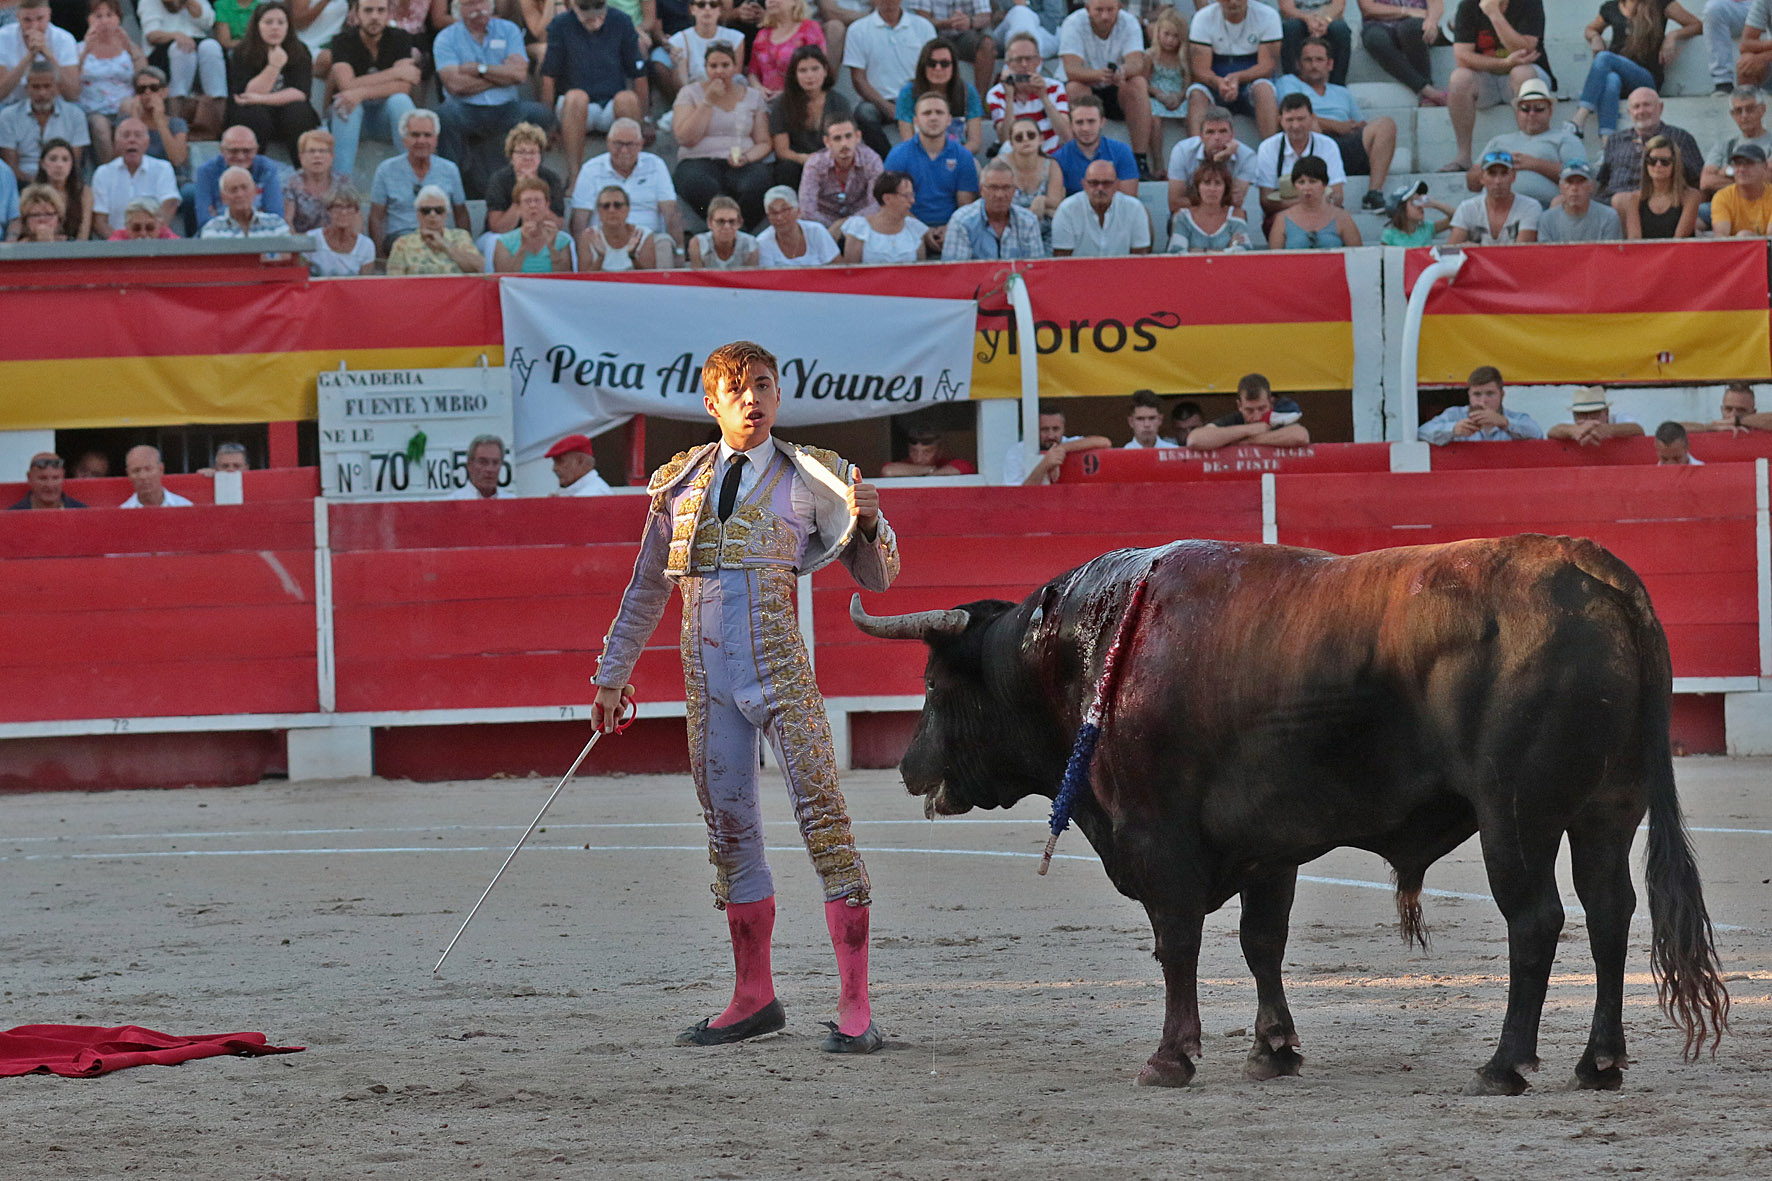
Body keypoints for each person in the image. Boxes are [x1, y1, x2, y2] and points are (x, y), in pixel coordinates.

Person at [590, 340, 896, 1055]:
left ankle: (856, 1004)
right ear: (712, 402)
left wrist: (874, 521)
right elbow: (646, 587)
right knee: (729, 834)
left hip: (781, 673)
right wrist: (611, 676)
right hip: (709, 684)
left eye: (764, 384)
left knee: (825, 820)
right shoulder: (678, 483)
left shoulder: (817, 477)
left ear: (779, 394)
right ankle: (754, 995)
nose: (753, 398)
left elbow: (878, 577)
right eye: (737, 388)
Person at [436, 0, 554, 199]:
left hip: (506, 107)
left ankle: (530, 183)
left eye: (483, 2)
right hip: (465, 108)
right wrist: (501, 76)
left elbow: (519, 74)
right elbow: (454, 85)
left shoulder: (509, 30)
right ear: (458, 10)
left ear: (491, 5)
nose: (478, 9)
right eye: (470, 4)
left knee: (541, 114)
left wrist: (479, 70)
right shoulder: (446, 38)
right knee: (442, 117)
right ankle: (453, 189)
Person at [1277, 36, 1395, 209]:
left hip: (1344, 143)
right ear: (1298, 64)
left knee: (1386, 124)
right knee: (1309, 123)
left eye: (1319, 59)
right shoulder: (1288, 83)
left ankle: (1374, 193)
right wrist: (1338, 126)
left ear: (1330, 64)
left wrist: (1351, 128)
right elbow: (1296, 116)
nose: (1313, 64)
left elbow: (1360, 123)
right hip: (1314, 144)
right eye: (1308, 60)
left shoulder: (1342, 92)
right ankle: (1321, 188)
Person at [542, 0, 645, 188]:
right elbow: (549, 75)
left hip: (611, 105)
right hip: (575, 109)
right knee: (576, 97)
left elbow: (638, 72)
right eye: (585, 7)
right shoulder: (560, 25)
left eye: (598, 5)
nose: (593, 11)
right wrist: (549, 122)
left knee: (628, 99)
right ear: (573, 5)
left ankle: (634, 177)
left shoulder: (621, 21)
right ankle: (575, 177)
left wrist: (646, 119)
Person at [1445, 0, 1554, 174]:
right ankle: (1463, 156)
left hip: (1528, 73)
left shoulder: (1530, 3)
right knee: (1459, 78)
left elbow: (1525, 49)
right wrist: (1503, 64)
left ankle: (1528, 152)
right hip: (1487, 79)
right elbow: (1462, 56)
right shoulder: (1468, 5)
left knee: (1522, 73)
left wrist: (1493, 13)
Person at [1568, 0, 1701, 140]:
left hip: (1646, 80)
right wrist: (1595, 37)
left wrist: (1672, 36)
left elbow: (1697, 25)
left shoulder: (1661, 3)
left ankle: (1579, 118)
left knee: (1604, 58)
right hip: (1621, 80)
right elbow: (1591, 28)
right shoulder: (1612, 7)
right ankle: (1607, 144)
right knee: (1611, 80)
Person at [673, 41, 772, 227]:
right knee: (701, 186)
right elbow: (685, 138)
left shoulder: (753, 96)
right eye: (713, 66)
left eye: (725, 65)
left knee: (758, 184)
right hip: (698, 160)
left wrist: (746, 157)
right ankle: (717, 231)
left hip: (740, 160)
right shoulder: (689, 93)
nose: (719, 71)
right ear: (705, 68)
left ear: (735, 67)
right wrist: (708, 101)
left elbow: (764, 142)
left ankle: (739, 231)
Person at [1057, 0, 1151, 176]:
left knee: (1138, 83)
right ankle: (1080, 157)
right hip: (1086, 85)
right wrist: (1099, 75)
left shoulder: (1129, 22)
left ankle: (1140, 159)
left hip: (1116, 88)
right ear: (1087, 9)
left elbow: (1136, 63)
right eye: (1099, 10)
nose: (1105, 16)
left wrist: (1122, 71)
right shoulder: (1072, 23)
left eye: (1110, 10)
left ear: (1119, 8)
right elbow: (1071, 69)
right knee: (1075, 88)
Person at [326, 0, 421, 174]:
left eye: (380, 10)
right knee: (347, 104)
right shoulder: (342, 40)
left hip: (385, 117)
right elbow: (346, 85)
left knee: (400, 101)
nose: (375, 16)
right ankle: (342, 186)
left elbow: (403, 87)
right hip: (350, 121)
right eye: (368, 10)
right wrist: (394, 72)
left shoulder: (401, 38)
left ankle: (412, 177)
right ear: (356, 13)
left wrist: (361, 92)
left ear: (389, 13)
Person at [225, 3, 321, 163]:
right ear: (257, 25)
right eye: (268, 22)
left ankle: (303, 172)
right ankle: (253, 171)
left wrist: (260, 99)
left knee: (298, 112)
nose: (275, 28)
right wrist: (274, 66)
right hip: (253, 115)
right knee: (255, 114)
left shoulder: (300, 50)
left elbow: (299, 93)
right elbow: (247, 94)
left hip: (287, 115)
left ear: (288, 26)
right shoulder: (242, 51)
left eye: (280, 23)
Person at [570, 116, 682, 252]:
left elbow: (671, 213)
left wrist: (680, 252)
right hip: (604, 241)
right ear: (608, 143)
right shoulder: (591, 169)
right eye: (618, 144)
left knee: (663, 245)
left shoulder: (656, 165)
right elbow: (579, 220)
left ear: (641, 144)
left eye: (630, 144)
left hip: (648, 241)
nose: (624, 150)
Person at [1465, 78, 1581, 208]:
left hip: (1546, 207)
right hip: (1498, 207)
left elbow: (1581, 177)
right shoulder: (1498, 141)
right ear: (1517, 113)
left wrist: (1534, 164)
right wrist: (1496, 167)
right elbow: (1472, 184)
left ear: (1550, 112)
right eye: (1525, 109)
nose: (1531, 114)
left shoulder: (1565, 139)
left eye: (1539, 109)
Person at [883, 90, 977, 251]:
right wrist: (921, 231)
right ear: (916, 121)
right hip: (906, 226)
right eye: (927, 113)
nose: (933, 117)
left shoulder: (963, 156)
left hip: (954, 229)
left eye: (939, 113)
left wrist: (950, 229)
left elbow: (966, 206)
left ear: (948, 120)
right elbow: (892, 204)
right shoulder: (898, 155)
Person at [841, 0, 935, 157]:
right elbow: (858, 79)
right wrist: (886, 106)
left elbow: (932, 69)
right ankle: (889, 162)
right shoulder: (857, 30)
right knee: (864, 113)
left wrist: (909, 104)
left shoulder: (923, 27)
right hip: (878, 101)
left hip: (916, 97)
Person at [370, 108, 468, 254]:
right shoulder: (386, 170)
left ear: (436, 139)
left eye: (427, 135)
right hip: (400, 240)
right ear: (404, 139)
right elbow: (376, 218)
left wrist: (464, 247)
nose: (421, 141)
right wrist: (379, 258)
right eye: (415, 135)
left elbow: (461, 214)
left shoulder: (449, 169)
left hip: (440, 237)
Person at [1185, 0, 1281, 142]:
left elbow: (1267, 66)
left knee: (1264, 90)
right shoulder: (1203, 18)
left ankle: (1272, 151)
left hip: (1252, 80)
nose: (1233, 2)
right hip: (1215, 81)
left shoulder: (1268, 16)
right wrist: (1218, 82)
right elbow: (1200, 69)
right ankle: (1197, 153)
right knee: (1196, 95)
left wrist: (1238, 77)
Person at [1594, 87, 1702, 203]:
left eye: (1647, 105)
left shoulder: (1681, 138)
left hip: (1656, 208)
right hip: (1613, 205)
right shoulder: (1615, 140)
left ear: (1660, 108)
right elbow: (1603, 181)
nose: (1641, 111)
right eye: (1636, 106)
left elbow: (1698, 181)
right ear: (1630, 112)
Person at [134, 0, 228, 128]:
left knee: (211, 47)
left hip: (197, 42)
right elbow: (152, 34)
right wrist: (176, 35)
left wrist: (191, 4)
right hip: (163, 48)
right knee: (182, 50)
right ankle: (176, 120)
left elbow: (208, 22)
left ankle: (216, 119)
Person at [1256, 92, 1345, 218]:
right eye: (1290, 120)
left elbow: (1337, 194)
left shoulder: (1328, 145)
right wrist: (1305, 204)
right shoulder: (1268, 147)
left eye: (1301, 119)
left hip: (1322, 213)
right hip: (1283, 216)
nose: (1296, 126)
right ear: (1280, 120)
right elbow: (1266, 202)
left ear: (1313, 118)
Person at [770, 45, 848, 189]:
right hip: (797, 160)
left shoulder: (839, 102)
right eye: (803, 70)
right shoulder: (782, 103)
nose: (809, 76)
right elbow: (782, 150)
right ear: (795, 75)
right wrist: (804, 158)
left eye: (815, 69)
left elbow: (847, 141)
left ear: (825, 71)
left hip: (831, 159)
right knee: (786, 169)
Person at [77, 0, 144, 163]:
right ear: (89, 20)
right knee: (100, 128)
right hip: (94, 107)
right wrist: (86, 50)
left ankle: (131, 163)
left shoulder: (129, 47)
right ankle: (110, 170)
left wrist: (129, 45)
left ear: (118, 19)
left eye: (109, 15)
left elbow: (144, 75)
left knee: (132, 108)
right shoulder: (78, 48)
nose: (104, 21)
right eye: (98, 16)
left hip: (123, 103)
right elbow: (71, 79)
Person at [941, 156, 1045, 259]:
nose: (999, 194)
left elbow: (1036, 270)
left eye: (1006, 188)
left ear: (1014, 190)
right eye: (993, 187)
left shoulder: (1029, 221)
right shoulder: (961, 221)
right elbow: (955, 272)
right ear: (981, 190)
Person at [0, 62, 87, 184]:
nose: (42, 93)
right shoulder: (8, 116)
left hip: (62, 180)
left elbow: (74, 162)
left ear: (57, 88)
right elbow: (10, 166)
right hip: (23, 182)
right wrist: (39, 184)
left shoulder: (75, 115)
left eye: (47, 86)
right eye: (36, 87)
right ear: (27, 89)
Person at [985, 30, 1070, 155]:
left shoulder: (1055, 87)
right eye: (1018, 60)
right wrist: (1009, 97)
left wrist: (1044, 97)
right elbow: (1006, 141)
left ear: (1039, 61)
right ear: (1008, 64)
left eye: (1029, 59)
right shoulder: (996, 94)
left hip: (1051, 156)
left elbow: (1066, 136)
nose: (1024, 65)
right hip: (1016, 157)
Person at [894, 36, 982, 155]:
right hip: (920, 156)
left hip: (958, 155)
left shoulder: (968, 92)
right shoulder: (908, 93)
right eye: (932, 63)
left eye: (945, 64)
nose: (938, 68)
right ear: (923, 66)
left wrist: (954, 157)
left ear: (954, 66)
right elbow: (908, 140)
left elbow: (974, 142)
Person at [1166, 104, 1260, 212]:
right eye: (1210, 132)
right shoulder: (1182, 151)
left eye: (1223, 131)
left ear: (1232, 135)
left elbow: (1235, 201)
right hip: (1189, 213)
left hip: (1224, 215)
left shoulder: (1247, 157)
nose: (1217, 138)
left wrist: (1220, 164)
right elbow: (1174, 203)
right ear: (1201, 136)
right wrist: (1216, 161)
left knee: (1239, 213)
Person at [91, 116, 175, 238]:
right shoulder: (103, 173)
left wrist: (150, 237)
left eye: (138, 135)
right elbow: (100, 221)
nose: (132, 140)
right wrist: (121, 245)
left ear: (147, 142)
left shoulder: (163, 169)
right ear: (117, 142)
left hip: (154, 243)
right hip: (116, 248)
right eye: (126, 135)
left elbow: (168, 207)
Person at [1416, 364, 1544, 443]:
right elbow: (1422, 433)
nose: (1483, 401)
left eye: (1490, 394)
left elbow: (1538, 434)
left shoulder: (1516, 418)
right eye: (1477, 394)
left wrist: (1505, 423)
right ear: (1469, 395)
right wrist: (1453, 429)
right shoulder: (1454, 415)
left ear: (1502, 395)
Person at [1052, 155, 1152, 256]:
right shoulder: (1067, 210)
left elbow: (1140, 258)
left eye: (1106, 183)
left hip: (1123, 271)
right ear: (1084, 185)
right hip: (1078, 271)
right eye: (1094, 183)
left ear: (1116, 184)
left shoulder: (1134, 209)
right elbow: (1062, 260)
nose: (1100, 188)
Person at [796, 111, 880, 229]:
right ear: (827, 142)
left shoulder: (871, 160)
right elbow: (807, 209)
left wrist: (845, 225)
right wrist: (834, 228)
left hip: (861, 223)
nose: (844, 143)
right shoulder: (815, 164)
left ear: (858, 137)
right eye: (837, 138)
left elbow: (876, 204)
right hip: (824, 224)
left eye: (848, 136)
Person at [1358, 0, 1448, 108]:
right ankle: (1427, 90)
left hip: (1416, 24)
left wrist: (1432, 21)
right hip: (1379, 24)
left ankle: (1427, 91)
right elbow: (1367, 8)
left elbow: (1436, 3)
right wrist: (1407, 11)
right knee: (1373, 39)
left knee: (1409, 29)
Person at [1186, 372, 1310, 450]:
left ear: (1271, 403)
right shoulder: (1234, 419)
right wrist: (1251, 429)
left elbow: (1301, 436)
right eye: (1249, 410)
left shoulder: (1277, 418)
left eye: (1262, 408)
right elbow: (1195, 440)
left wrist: (1248, 441)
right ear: (1239, 406)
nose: (1256, 416)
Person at [484, 121, 566, 236]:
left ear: (540, 156)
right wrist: (521, 195)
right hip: (505, 234)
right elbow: (497, 227)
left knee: (566, 239)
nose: (527, 158)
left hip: (540, 232)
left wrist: (537, 196)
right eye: (521, 152)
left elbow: (557, 225)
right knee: (495, 240)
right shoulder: (499, 179)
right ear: (511, 156)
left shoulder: (551, 179)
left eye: (532, 153)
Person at [194, 125, 284, 225]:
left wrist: (220, 215)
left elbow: (276, 215)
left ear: (256, 150)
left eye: (247, 151)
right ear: (222, 150)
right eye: (233, 151)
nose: (240, 157)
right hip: (217, 235)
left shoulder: (267, 168)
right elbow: (204, 219)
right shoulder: (206, 171)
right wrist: (257, 213)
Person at [386, 180, 485, 271]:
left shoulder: (461, 237)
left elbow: (480, 267)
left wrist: (445, 245)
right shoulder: (403, 244)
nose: (432, 214)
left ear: (446, 213)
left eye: (439, 210)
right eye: (426, 211)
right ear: (418, 214)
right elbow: (395, 282)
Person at [1446, 148, 1539, 243]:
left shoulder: (1529, 207)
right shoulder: (1467, 208)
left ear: (1513, 176)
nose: (1498, 181)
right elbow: (1450, 251)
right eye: (1492, 174)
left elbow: (1523, 252)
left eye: (1504, 174)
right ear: (1482, 177)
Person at [1052, 92, 1136, 196]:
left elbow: (1129, 199)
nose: (1085, 128)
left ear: (1102, 122)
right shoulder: (1059, 158)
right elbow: (1057, 202)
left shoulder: (1121, 151)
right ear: (1071, 125)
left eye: (1091, 121)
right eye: (1079, 122)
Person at [1614, 133, 1698, 237]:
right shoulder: (1634, 199)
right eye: (1652, 160)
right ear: (1646, 164)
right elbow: (1635, 242)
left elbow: (1679, 240)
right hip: (1644, 253)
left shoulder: (1690, 197)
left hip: (1678, 252)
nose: (1658, 165)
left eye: (1665, 161)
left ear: (1675, 164)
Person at [1007, 401, 1111, 484]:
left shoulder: (1070, 444)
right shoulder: (1017, 453)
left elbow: (1104, 442)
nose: (1051, 435)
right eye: (1044, 429)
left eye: (1056, 429)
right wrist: (1045, 465)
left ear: (1064, 429)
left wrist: (1061, 449)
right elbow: (1018, 495)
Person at [1, 0, 82, 108]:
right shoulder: (3, 37)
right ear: (18, 17)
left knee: (77, 112)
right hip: (12, 105)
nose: (34, 26)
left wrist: (46, 53)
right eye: (27, 20)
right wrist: (30, 57)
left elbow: (72, 95)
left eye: (40, 19)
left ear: (49, 14)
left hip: (54, 105)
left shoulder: (64, 39)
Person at [1267, 153, 1359, 247]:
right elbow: (1274, 258)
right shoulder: (1282, 219)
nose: (1307, 188)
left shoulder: (1342, 217)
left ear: (1324, 184)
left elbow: (1358, 255)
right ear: (1295, 186)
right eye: (1301, 182)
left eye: (1313, 181)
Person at [666, 0, 745, 104]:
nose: (707, 9)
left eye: (713, 5)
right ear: (692, 9)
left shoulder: (736, 38)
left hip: (728, 96)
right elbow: (682, 86)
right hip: (694, 98)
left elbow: (735, 76)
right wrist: (677, 65)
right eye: (701, 5)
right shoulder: (678, 40)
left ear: (720, 10)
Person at [1003, 114, 1064, 247]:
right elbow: (995, 203)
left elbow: (1056, 202)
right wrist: (1033, 211)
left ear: (1041, 139)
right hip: (1009, 230)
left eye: (1031, 135)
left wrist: (1041, 200)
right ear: (1012, 144)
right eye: (1019, 137)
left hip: (1045, 232)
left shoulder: (1052, 165)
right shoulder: (1000, 165)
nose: (1025, 139)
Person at [842, 168, 926, 261]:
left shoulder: (915, 228)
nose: (912, 201)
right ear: (887, 198)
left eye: (912, 195)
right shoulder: (859, 228)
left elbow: (920, 270)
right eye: (906, 196)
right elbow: (851, 271)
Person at [1702, 87, 1772, 198]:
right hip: (1729, 206)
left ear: (1762, 110)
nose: (1744, 116)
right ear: (1732, 115)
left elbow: (1768, 177)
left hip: (1765, 205)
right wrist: (1750, 179)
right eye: (1738, 111)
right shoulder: (1724, 145)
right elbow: (1706, 182)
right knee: (1702, 210)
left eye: (1750, 109)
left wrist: (1727, 172)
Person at [492, 173, 572, 270]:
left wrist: (552, 247)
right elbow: (503, 277)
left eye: (537, 200)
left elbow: (566, 277)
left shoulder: (562, 241)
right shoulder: (505, 242)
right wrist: (523, 247)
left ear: (547, 205)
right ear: (518, 207)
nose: (533, 205)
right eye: (527, 201)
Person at [1167, 158, 1250, 250]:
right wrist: (1225, 251)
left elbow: (1244, 250)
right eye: (1207, 183)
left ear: (1225, 188)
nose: (1212, 189)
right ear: (1198, 187)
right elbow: (1176, 251)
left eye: (1218, 183)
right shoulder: (1183, 217)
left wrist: (1196, 251)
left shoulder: (1236, 214)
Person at [1143, 8, 1188, 176]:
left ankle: (1192, 161)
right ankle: (1158, 163)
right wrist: (1159, 94)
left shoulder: (1184, 56)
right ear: (1158, 33)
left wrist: (1179, 96)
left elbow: (1188, 82)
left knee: (1193, 116)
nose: (1170, 40)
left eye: (1175, 36)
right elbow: (1144, 82)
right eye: (1166, 34)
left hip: (1179, 96)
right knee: (1154, 117)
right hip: (1158, 95)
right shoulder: (1151, 55)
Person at [576, 180, 661, 268]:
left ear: (628, 209)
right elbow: (584, 279)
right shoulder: (589, 235)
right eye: (606, 206)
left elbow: (648, 278)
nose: (611, 210)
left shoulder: (643, 235)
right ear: (599, 211)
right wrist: (600, 258)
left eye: (617, 205)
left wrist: (632, 257)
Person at [750, 0, 824, 98]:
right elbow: (752, 72)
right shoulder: (762, 35)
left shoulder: (809, 28)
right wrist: (759, 89)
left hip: (800, 99)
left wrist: (786, 94)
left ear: (795, 2)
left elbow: (817, 68)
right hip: (766, 101)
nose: (770, 1)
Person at [1535, 160, 1623, 242]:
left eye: (1581, 182)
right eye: (1569, 182)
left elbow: (1610, 255)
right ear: (1561, 187)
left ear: (1591, 186)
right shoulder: (1547, 220)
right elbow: (1546, 256)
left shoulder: (1608, 217)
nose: (1574, 188)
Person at [756, 180, 839, 264]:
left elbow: (838, 268)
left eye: (785, 210)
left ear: (798, 211)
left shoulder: (816, 231)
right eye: (773, 212)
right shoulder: (762, 242)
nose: (779, 217)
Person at [284, 128, 349, 233]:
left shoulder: (343, 182)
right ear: (301, 157)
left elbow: (354, 220)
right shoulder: (291, 183)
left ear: (332, 157)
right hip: (301, 244)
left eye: (322, 151)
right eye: (311, 151)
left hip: (335, 243)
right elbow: (287, 222)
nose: (317, 156)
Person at [198, 163, 292, 235]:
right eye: (233, 190)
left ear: (255, 191)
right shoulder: (212, 229)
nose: (240, 194)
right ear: (223, 197)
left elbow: (286, 258)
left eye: (244, 187)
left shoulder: (276, 224)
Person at [307, 181, 377, 273]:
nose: (343, 212)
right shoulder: (312, 239)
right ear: (328, 210)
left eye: (349, 207)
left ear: (356, 211)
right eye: (338, 207)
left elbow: (365, 284)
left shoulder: (366, 246)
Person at [1279, 0, 1351, 86]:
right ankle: (1293, 85)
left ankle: (1337, 85)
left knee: (1340, 30)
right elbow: (1286, 8)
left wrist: (1325, 20)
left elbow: (1338, 5)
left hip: (1328, 17)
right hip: (1299, 17)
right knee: (1290, 28)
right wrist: (1307, 19)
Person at [29, 136, 88, 238]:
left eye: (65, 159)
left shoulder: (84, 192)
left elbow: (83, 234)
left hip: (76, 250)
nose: (59, 165)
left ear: (72, 164)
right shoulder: (32, 193)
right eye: (53, 159)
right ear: (42, 163)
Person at [1549, 386, 1645, 446]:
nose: (1588, 420)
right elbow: (1552, 431)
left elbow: (1638, 429)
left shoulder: (1619, 418)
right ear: (1574, 416)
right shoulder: (1573, 425)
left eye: (1594, 413)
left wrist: (1608, 430)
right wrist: (1571, 430)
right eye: (1581, 415)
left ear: (1606, 413)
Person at [1709, 142, 1772, 234]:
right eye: (1737, 164)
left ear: (1764, 167)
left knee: (1744, 235)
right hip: (1734, 248)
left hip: (1765, 248)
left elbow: (1770, 239)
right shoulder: (1723, 197)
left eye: (1749, 163)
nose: (1741, 169)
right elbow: (1722, 237)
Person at [689, 191, 760, 266]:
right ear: (709, 223)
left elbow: (751, 276)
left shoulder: (749, 243)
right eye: (720, 221)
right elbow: (697, 276)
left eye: (732, 221)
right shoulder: (698, 243)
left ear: (739, 223)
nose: (727, 226)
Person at [1379, 177, 1454, 244]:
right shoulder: (1389, 235)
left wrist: (1433, 203)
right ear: (1401, 210)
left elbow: (1457, 218)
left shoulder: (1427, 228)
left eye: (1420, 201)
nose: (1420, 206)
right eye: (1414, 202)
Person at [878, 426, 978, 476]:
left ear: (939, 451)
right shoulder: (905, 463)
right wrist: (930, 470)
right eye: (914, 451)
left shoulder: (949, 463)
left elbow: (965, 467)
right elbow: (888, 470)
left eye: (927, 452)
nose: (919, 458)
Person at [120, 444, 194, 506]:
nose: (143, 476)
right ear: (128, 474)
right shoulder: (122, 514)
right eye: (136, 471)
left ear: (161, 469)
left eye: (148, 469)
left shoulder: (184, 506)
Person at [1683, 382, 1772, 433]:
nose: (1733, 414)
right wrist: (1708, 427)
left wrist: (1739, 421)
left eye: (1741, 410)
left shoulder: (1762, 431)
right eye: (1728, 409)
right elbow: (1672, 428)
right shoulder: (1712, 429)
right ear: (1722, 410)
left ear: (1753, 413)